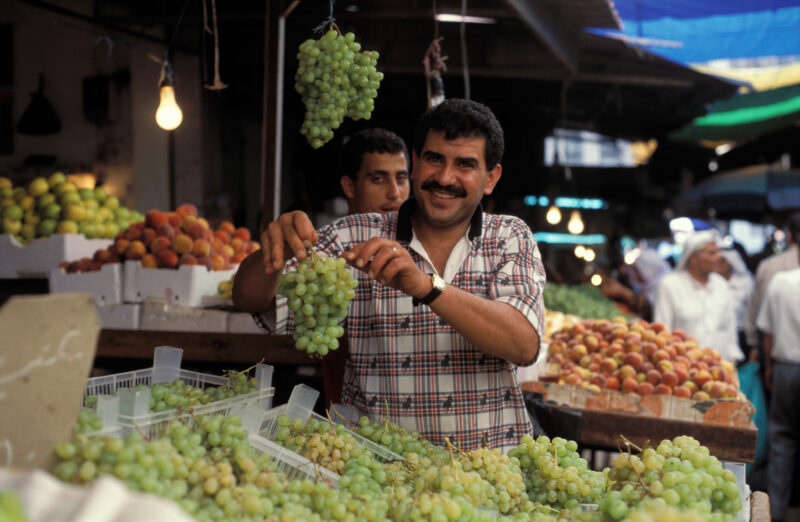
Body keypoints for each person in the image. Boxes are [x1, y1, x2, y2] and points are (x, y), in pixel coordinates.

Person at [233, 99, 546, 452]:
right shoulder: (351, 235)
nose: (444, 177)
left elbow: (523, 344)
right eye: (434, 159)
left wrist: (426, 286)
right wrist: (272, 254)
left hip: (485, 473)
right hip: (378, 471)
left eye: (465, 165)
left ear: (491, 178)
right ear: (414, 163)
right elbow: (250, 300)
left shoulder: (509, 236)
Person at [322, 128, 411, 408]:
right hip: (351, 423)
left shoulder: (416, 253)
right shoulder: (328, 256)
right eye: (378, 179)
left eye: (402, 179)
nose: (395, 193)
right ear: (349, 186)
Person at [653, 231, 743, 362]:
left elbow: (730, 329)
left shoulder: (721, 285)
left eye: (718, 252)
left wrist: (732, 361)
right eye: (712, 253)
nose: (719, 256)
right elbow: (662, 332)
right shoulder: (670, 286)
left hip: (720, 369)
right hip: (684, 370)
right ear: (694, 258)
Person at [755, 266, 800, 522]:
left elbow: (767, 331)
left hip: (786, 369)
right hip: (785, 367)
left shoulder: (781, 281)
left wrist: (770, 366)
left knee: (782, 439)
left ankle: (776, 512)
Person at [745, 212, 800, 353]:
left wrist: (754, 345)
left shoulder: (769, 266)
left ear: (789, 236)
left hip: (775, 351)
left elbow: (755, 311)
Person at [602, 247, 671, 321]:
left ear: (651, 269)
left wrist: (622, 291)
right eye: (636, 270)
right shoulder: (645, 286)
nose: (636, 275)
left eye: (639, 270)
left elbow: (649, 309)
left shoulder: (666, 286)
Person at [715, 247, 754, 361]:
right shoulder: (711, 284)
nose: (719, 264)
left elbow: (751, 312)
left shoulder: (745, 282)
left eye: (723, 260)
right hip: (718, 335)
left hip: (741, 334)